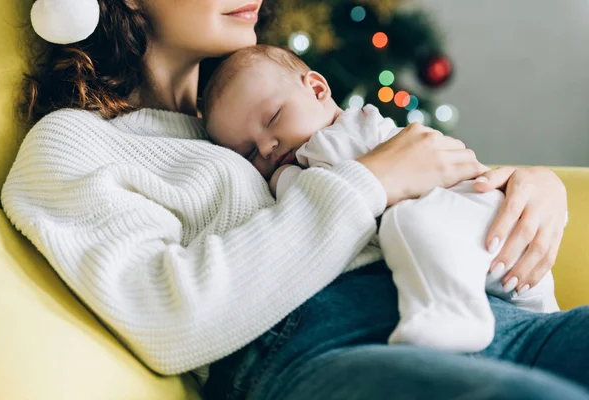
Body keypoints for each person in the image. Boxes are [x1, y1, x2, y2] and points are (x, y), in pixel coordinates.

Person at [2, 0, 588, 399]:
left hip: (497, 318)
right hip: (332, 348)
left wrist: (531, 187)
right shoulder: (73, 142)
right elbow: (169, 318)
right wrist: (368, 183)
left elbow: (434, 187)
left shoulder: (263, 104)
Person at [202, 44, 560, 353]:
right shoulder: (293, 169)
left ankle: (453, 312)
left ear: (316, 88)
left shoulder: (352, 129)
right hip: (469, 255)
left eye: (273, 118)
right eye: (248, 152)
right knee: (410, 226)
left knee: (408, 222)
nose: (267, 147)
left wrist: (535, 185)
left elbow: (458, 168)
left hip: (486, 231)